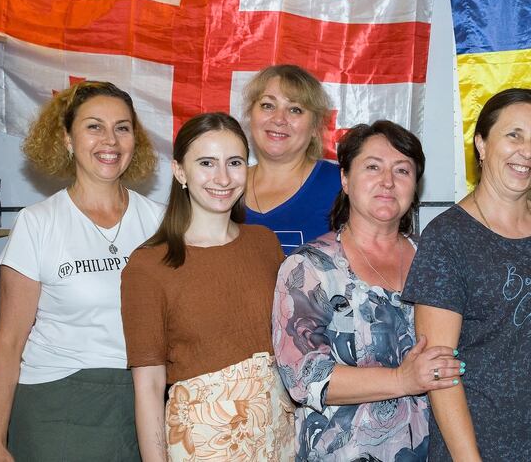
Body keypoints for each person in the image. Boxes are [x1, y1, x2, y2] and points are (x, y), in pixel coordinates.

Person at [402, 89, 531, 460]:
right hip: (480, 448)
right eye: (513, 135)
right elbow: (438, 371)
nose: (527, 151)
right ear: (482, 143)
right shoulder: (448, 237)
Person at [0, 81, 162, 461]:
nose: (110, 140)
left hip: (142, 403)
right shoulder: (38, 223)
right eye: (94, 126)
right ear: (67, 139)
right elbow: (8, 344)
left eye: (123, 127)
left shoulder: (159, 221)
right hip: (56, 405)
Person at [272, 120, 462, 460]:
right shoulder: (310, 268)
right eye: (372, 167)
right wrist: (402, 380)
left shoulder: (437, 259)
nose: (387, 181)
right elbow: (304, 378)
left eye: (402, 170)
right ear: (345, 179)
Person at [121, 113, 294, 461]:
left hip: (279, 437)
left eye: (234, 163)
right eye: (206, 163)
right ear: (180, 171)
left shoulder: (264, 243)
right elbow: (149, 386)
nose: (223, 178)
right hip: (204, 445)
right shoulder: (149, 265)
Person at [243, 65, 341, 254]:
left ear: (315, 127)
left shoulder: (341, 186)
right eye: (267, 105)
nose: (279, 118)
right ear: (251, 115)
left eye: (295, 109)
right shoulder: (225, 185)